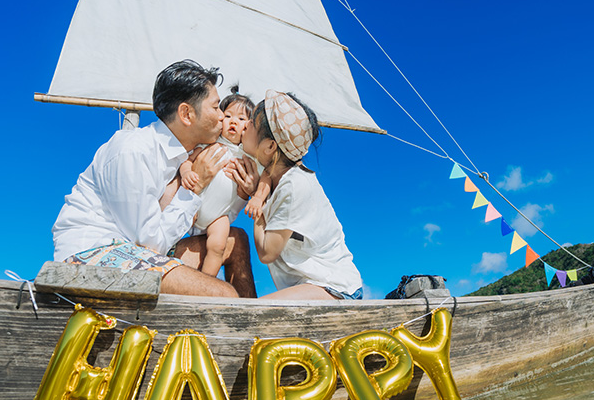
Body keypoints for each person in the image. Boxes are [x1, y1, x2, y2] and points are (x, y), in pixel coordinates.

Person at [52, 60, 258, 298]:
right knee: (223, 295)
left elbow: (210, 215)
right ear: (187, 114)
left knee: (237, 240)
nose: (223, 116)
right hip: (94, 255)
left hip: (140, 249)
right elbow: (150, 244)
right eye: (216, 108)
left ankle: (256, 333)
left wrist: (243, 192)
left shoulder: (189, 156)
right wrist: (194, 187)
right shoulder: (134, 151)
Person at [227, 89, 363, 300]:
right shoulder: (272, 172)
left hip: (335, 288)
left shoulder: (294, 186)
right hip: (314, 285)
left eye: (251, 123)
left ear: (270, 146)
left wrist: (256, 199)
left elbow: (267, 252)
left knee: (253, 315)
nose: (244, 125)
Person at [178, 87, 255, 277]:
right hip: (195, 204)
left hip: (218, 217)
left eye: (241, 119)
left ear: (249, 127)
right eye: (228, 116)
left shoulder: (247, 157)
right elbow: (186, 160)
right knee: (175, 229)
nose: (234, 121)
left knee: (218, 246)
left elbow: (258, 181)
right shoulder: (209, 143)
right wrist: (187, 172)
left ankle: (207, 280)